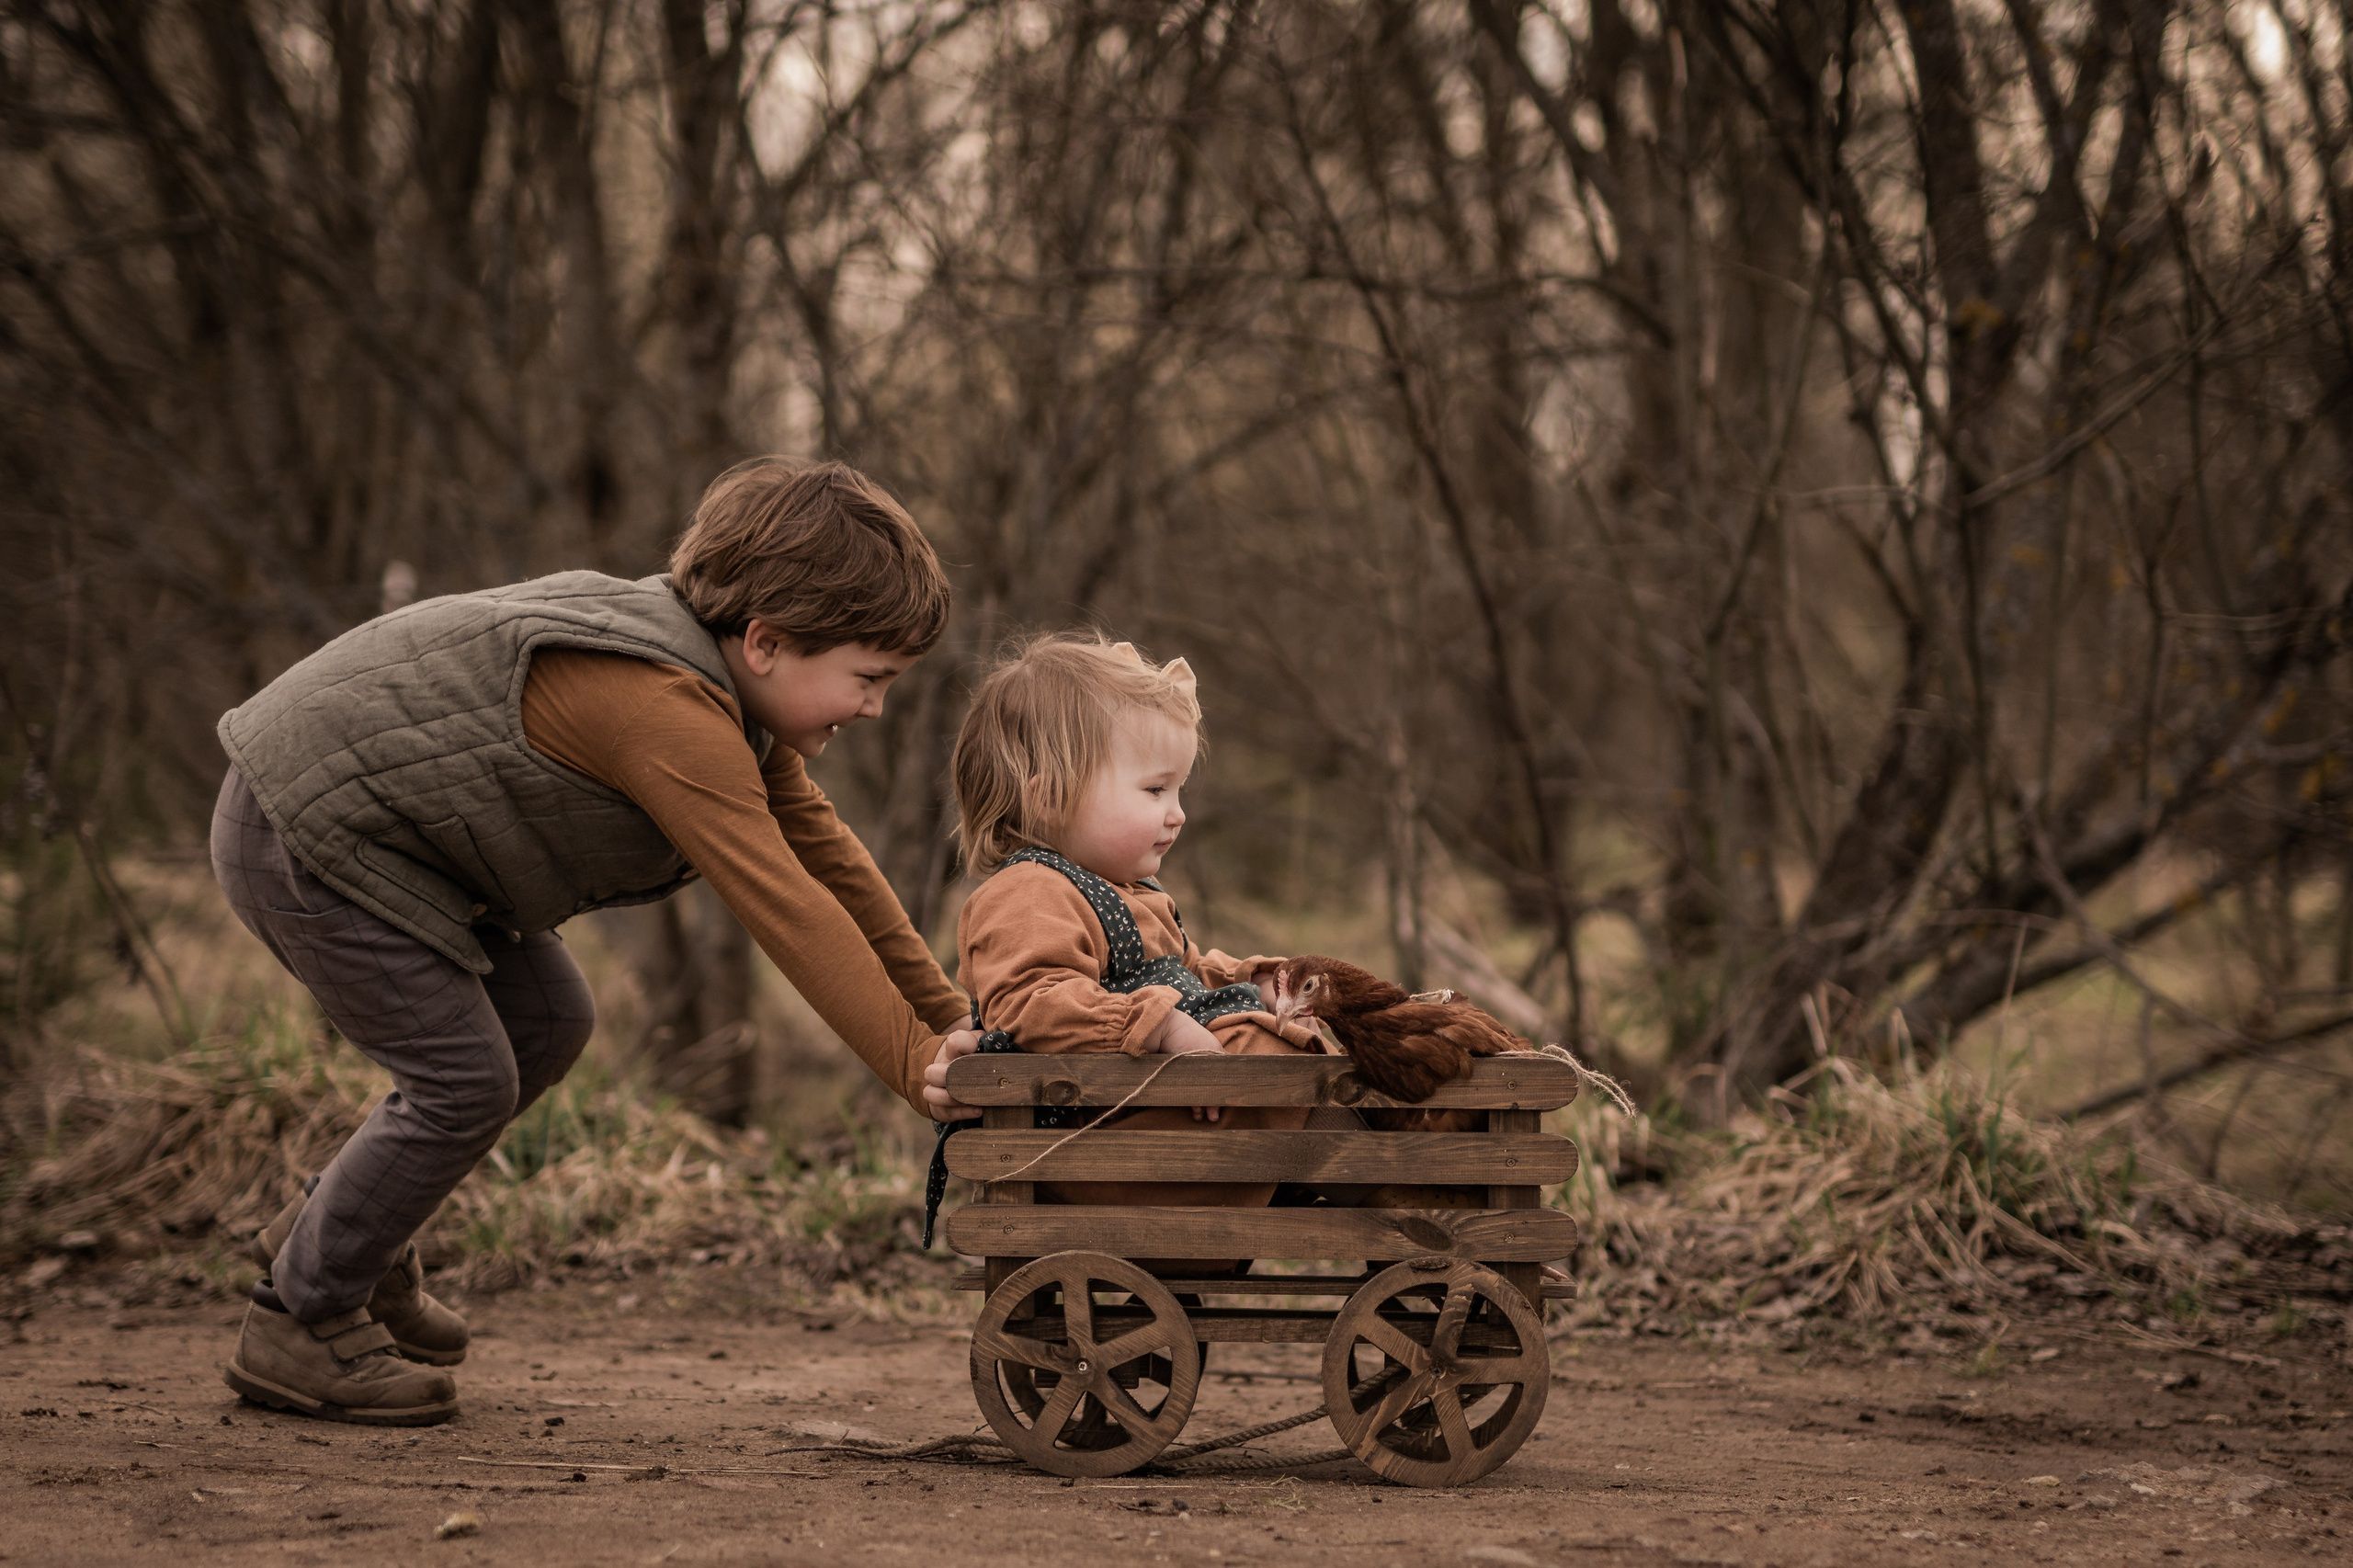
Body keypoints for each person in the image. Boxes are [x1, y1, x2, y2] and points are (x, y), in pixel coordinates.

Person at [210, 458, 980, 1426]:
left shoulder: (725, 699)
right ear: (769, 641)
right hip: (304, 829)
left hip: (398, 847)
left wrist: (954, 1020)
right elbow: (785, 903)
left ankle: (336, 1235)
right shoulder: (660, 704)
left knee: (547, 1020)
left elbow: (832, 862)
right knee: (464, 1078)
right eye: (868, 678)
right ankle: (298, 1315)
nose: (874, 706)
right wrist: (919, 1068)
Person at [941, 634, 1326, 1215]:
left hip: (1153, 1129)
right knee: (1257, 1049)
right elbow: (1032, 1002)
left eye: (1177, 789)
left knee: (1270, 1026)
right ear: (1048, 798)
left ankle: (1372, 1153)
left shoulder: (1128, 890)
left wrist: (1261, 978)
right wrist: (1163, 1028)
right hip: (1098, 1157)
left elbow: (1185, 970)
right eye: (1154, 790)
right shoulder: (1028, 894)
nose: (1178, 813)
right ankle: (1379, 1166)